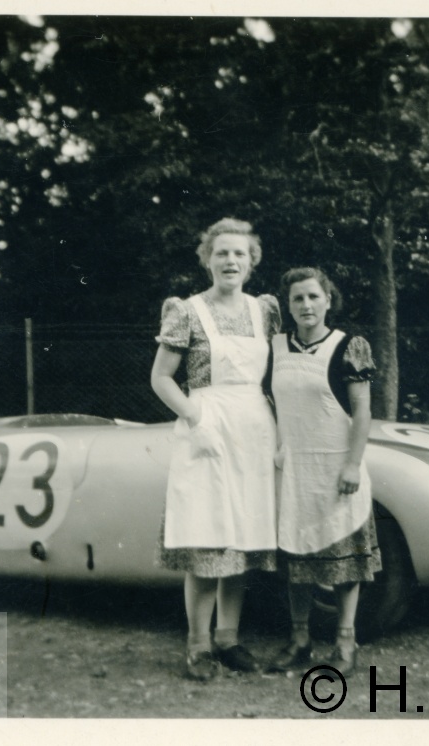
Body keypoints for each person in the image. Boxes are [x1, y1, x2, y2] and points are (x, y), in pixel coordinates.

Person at [151, 218, 280, 681]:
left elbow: (276, 375)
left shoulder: (265, 310)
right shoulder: (187, 312)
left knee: (241, 539)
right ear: (207, 259)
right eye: (221, 252)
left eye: (239, 253)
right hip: (206, 427)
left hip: (254, 429)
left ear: (251, 261)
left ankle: (228, 638)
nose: (230, 260)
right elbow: (161, 378)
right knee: (208, 538)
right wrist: (195, 417)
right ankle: (198, 644)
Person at [267, 267, 382, 678]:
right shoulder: (275, 347)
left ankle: (346, 643)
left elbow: (362, 411)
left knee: (343, 560)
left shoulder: (348, 346)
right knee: (297, 557)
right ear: (288, 305)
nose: (306, 305)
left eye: (314, 296)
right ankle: (299, 640)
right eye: (297, 298)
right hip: (294, 469)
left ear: (328, 300)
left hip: (336, 467)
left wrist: (352, 463)